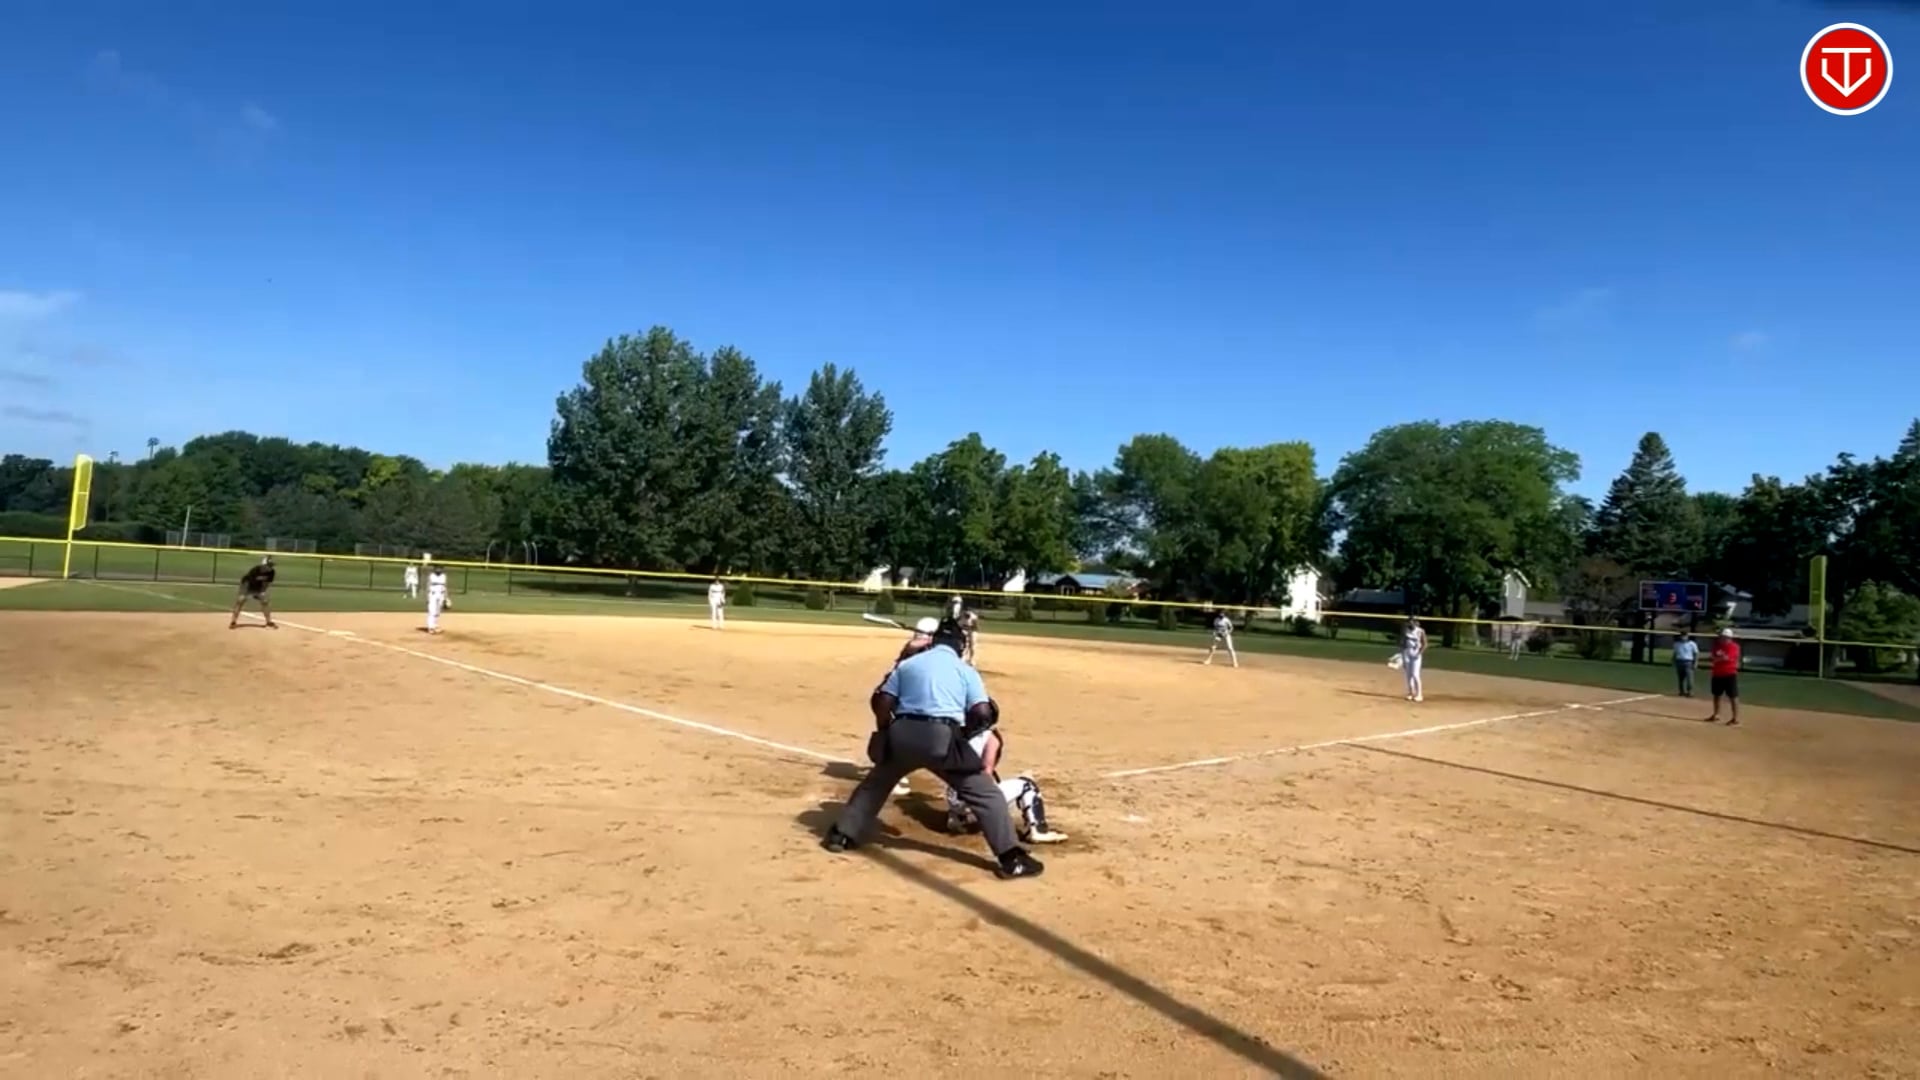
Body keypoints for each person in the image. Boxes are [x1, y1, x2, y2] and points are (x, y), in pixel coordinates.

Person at [822, 618, 1044, 880]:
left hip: (902, 733)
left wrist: (884, 731)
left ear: (934, 641)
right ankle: (1011, 859)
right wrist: (963, 735)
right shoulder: (965, 670)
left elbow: (881, 701)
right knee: (986, 794)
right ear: (961, 646)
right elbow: (983, 712)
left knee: (875, 785)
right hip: (942, 737)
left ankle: (841, 835)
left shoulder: (908, 665)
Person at [943, 727, 1067, 844]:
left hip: (954, 799)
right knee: (1027, 784)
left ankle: (958, 820)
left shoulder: (953, 731)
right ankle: (1038, 831)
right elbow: (985, 777)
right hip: (972, 802)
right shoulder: (990, 738)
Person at [229, 555, 279, 630]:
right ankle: (233, 621)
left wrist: (262, 592)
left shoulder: (271, 572)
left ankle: (269, 622)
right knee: (241, 600)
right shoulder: (255, 570)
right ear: (264, 565)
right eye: (269, 565)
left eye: (271, 565)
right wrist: (252, 594)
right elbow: (250, 582)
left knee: (265, 601)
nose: (271, 567)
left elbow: (266, 584)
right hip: (247, 584)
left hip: (259, 586)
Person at [1706, 628, 1741, 726]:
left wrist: (1716, 659)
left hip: (1729, 674)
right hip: (1717, 674)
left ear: (1729, 638)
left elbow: (1727, 658)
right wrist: (1717, 659)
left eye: (1724, 637)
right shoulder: (1716, 645)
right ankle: (1716, 715)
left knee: (1733, 696)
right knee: (1716, 695)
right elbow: (1713, 657)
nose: (1721, 638)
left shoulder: (1734, 646)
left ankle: (1735, 718)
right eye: (1721, 636)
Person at [1400, 616, 1427, 702]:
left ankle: (1419, 694)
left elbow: (1424, 644)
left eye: (1412, 622)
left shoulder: (1420, 631)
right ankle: (1410, 693)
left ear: (1415, 623)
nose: (1410, 623)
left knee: (1415, 674)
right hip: (1407, 652)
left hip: (1416, 654)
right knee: (1408, 675)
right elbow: (1403, 643)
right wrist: (1401, 654)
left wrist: (1419, 653)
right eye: (1409, 622)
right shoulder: (1406, 630)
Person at [1672, 632, 1699, 697]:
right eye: (1682, 636)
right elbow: (1675, 653)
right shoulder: (1677, 644)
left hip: (1688, 662)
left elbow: (1696, 653)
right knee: (1680, 678)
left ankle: (1690, 692)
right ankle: (1681, 691)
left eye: (1685, 636)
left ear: (1687, 636)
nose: (1683, 637)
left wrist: (1695, 662)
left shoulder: (1692, 644)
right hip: (1679, 661)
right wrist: (1673, 660)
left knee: (1689, 678)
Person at [425, 563, 450, 635]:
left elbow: (445, 587)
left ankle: (435, 625)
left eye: (440, 568)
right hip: (432, 595)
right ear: (434, 569)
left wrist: (446, 597)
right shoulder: (431, 576)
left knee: (438, 612)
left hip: (441, 595)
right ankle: (430, 627)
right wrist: (427, 597)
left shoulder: (443, 576)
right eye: (437, 568)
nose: (439, 569)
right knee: (432, 611)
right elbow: (428, 586)